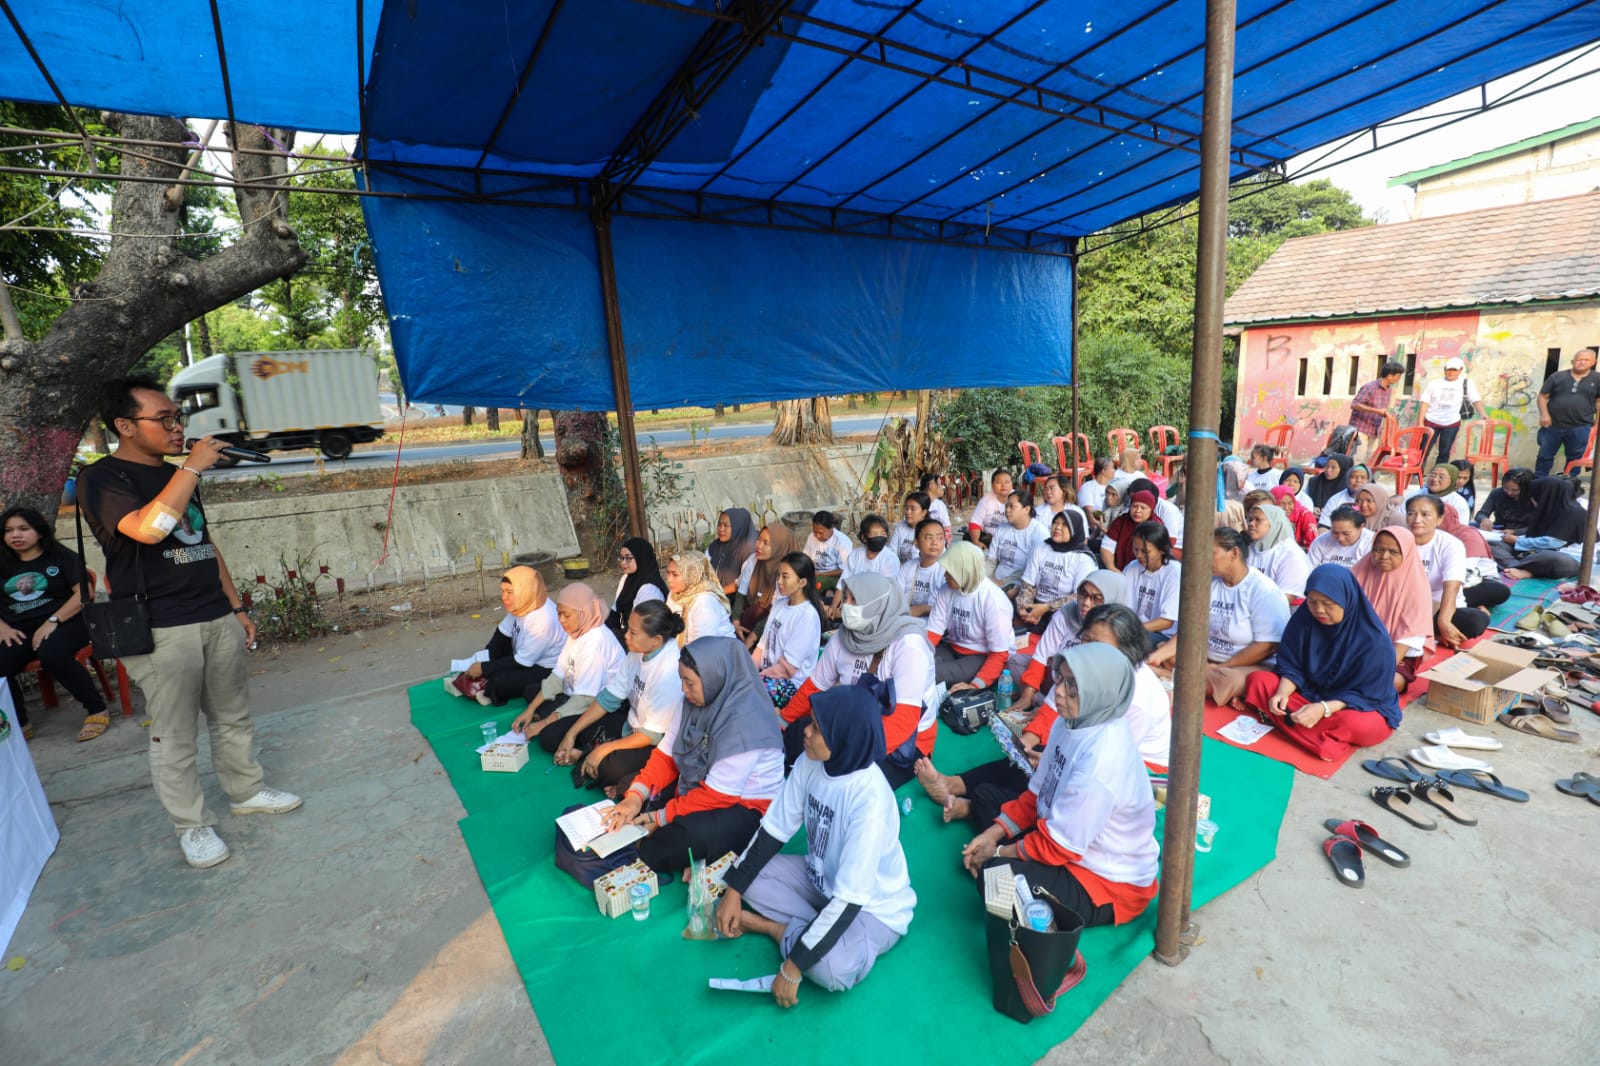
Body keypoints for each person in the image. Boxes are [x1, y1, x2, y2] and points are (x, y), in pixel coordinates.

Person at [76, 377, 300, 869]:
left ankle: (248, 791)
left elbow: (201, 542)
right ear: (125, 426)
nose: (178, 428)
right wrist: (194, 467)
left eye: (178, 418)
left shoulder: (178, 474)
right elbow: (149, 531)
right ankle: (192, 826)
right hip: (160, 628)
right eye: (165, 419)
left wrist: (237, 607)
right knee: (175, 735)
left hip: (214, 615)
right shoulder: (102, 478)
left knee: (232, 715)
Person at [716, 684, 915, 1007]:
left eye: (817, 729)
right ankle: (813, 932)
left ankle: (774, 929)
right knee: (744, 877)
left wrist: (794, 967)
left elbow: (851, 899)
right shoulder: (812, 761)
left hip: (872, 908)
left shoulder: (870, 802)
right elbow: (774, 828)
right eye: (810, 722)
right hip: (821, 879)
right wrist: (734, 891)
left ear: (843, 741)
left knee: (833, 970)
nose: (805, 732)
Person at [917, 602, 1171, 830]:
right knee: (1031, 755)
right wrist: (1031, 743)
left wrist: (1056, 762)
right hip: (1088, 751)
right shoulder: (1092, 670)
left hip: (1135, 776)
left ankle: (972, 807)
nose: (1087, 649)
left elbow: (1108, 768)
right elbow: (1053, 708)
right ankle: (956, 785)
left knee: (1052, 778)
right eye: (1086, 639)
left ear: (1126, 652)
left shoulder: (1138, 699)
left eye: (1098, 645)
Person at [961, 643, 1159, 932]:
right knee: (985, 796)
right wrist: (993, 834)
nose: (1061, 692)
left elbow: (1057, 846)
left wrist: (998, 852)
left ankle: (1049, 925)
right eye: (1061, 680)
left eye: (1074, 686)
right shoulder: (1072, 722)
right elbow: (1037, 791)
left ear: (1100, 692)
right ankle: (1018, 875)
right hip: (1063, 836)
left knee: (994, 876)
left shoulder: (1102, 762)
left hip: (1105, 882)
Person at [603, 637, 785, 876]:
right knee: (631, 788)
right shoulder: (691, 701)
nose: (683, 690)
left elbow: (718, 796)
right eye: (682, 680)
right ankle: (686, 844)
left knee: (666, 845)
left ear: (715, 678)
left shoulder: (746, 723)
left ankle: (688, 844)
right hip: (700, 787)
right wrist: (636, 797)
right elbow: (667, 754)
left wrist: (657, 817)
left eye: (689, 683)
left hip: (744, 807)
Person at [779, 573, 934, 785]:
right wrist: (783, 721)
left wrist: (851, 754)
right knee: (796, 734)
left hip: (900, 741)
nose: (847, 606)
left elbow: (903, 721)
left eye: (856, 600)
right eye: (847, 598)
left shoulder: (909, 646)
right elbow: (816, 686)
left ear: (877, 605)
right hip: (853, 723)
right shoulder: (845, 636)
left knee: (853, 781)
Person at [1240, 565, 1402, 762]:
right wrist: (1283, 692)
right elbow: (1292, 665)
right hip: (1308, 693)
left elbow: (1369, 695)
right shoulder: (1304, 619)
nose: (1319, 610)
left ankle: (1289, 724)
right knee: (1259, 681)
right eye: (1312, 602)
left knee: (1356, 724)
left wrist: (1323, 708)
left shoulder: (1375, 641)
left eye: (1328, 603)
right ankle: (1320, 739)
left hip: (1352, 705)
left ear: (1346, 600)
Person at [0, 506, 109, 742]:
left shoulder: (61, 558)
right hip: (19, 629)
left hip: (67, 622)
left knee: (53, 652)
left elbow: (85, 592)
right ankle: (19, 721)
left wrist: (53, 620)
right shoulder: (2, 563)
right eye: (8, 531)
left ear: (39, 532)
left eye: (23, 529)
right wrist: (3, 628)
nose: (15, 535)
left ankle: (96, 709)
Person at [1149, 529, 1291, 706]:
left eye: (1211, 553)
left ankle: (1168, 676)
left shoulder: (1263, 590)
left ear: (1234, 553)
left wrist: (1222, 667)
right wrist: (1157, 657)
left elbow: (1267, 646)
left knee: (1228, 680)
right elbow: (1191, 631)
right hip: (1204, 660)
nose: (1205, 559)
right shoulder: (1208, 583)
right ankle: (1180, 675)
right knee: (1162, 651)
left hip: (1242, 666)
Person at [568, 601, 684, 795]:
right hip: (631, 727)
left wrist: (604, 749)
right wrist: (571, 733)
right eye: (627, 630)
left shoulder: (669, 671)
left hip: (654, 744)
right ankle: (588, 753)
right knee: (576, 729)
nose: (626, 636)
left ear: (656, 640)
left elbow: (651, 735)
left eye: (633, 633)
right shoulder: (638, 651)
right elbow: (609, 697)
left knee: (608, 769)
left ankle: (590, 755)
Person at [515, 583, 628, 757]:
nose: (561, 620)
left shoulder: (595, 643)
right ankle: (549, 714)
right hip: (575, 693)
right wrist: (530, 710)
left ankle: (558, 722)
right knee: (531, 691)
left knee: (549, 737)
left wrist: (544, 723)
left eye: (566, 615)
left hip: (594, 704)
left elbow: (584, 700)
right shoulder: (578, 629)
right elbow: (558, 675)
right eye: (558, 613)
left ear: (583, 613)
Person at [444, 566, 565, 706]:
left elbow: (523, 662)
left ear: (524, 591)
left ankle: (487, 687)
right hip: (523, 656)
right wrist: (483, 660)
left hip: (543, 669)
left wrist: (484, 668)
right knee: (491, 658)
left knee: (499, 682)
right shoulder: (523, 604)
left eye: (509, 592)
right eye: (502, 591)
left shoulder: (542, 621)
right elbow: (500, 639)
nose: (504, 597)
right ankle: (479, 678)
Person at [1012, 570, 1128, 710]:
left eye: (1096, 598)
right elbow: (1042, 654)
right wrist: (1028, 691)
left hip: (1086, 691)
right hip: (1058, 677)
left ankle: (1051, 709)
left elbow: (1092, 680)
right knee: (1016, 661)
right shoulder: (1066, 613)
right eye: (1083, 594)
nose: (1085, 603)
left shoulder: (1114, 632)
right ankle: (1039, 702)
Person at [1405, 494, 1508, 645]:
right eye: (1411, 514)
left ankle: (1422, 631)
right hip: (1404, 606)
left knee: (1475, 620)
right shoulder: (1397, 541)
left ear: (1440, 519)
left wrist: (1444, 620)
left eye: (1425, 514)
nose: (1417, 520)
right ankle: (1427, 633)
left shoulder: (1451, 544)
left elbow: (1451, 586)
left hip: (1437, 605)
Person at [1352, 527, 1437, 693]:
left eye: (1393, 552)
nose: (1384, 556)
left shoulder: (1416, 586)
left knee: (1389, 683)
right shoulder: (1360, 571)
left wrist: (1378, 671)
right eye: (1378, 549)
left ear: (1406, 552)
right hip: (1357, 645)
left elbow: (1408, 639)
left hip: (1395, 653)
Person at [926, 542, 1014, 691]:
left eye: (950, 572)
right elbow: (933, 632)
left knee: (931, 674)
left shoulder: (994, 600)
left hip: (982, 656)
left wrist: (975, 685)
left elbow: (999, 654)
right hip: (952, 648)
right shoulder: (946, 590)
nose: (945, 576)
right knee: (918, 665)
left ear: (965, 571)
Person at [753, 552, 826, 707]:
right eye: (778, 575)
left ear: (802, 582)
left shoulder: (807, 616)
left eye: (785, 577)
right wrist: (749, 671)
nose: (779, 581)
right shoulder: (779, 605)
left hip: (790, 685)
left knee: (746, 693)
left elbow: (787, 669)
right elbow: (762, 646)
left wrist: (755, 678)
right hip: (767, 676)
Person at [1015, 510, 1095, 633]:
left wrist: (1046, 608)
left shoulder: (1082, 558)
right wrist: (1025, 607)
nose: (1057, 527)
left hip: (1065, 612)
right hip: (1036, 606)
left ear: (1074, 529)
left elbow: (1079, 596)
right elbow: (1027, 585)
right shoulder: (1042, 547)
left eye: (1064, 525)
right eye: (1055, 523)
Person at [1497, 476, 1589, 579]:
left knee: (1549, 558)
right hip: (1535, 553)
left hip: (1569, 558)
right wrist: (1515, 539)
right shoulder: (1551, 511)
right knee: (1496, 545)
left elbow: (1554, 542)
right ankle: (1517, 566)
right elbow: (1539, 535)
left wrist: (1518, 541)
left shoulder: (1573, 512)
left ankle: (1524, 570)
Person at [1535, 347, 1600, 477]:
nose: (1582, 362)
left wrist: (1597, 423)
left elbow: (1598, 402)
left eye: (1586, 360)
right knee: (1545, 455)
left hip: (1580, 427)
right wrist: (1544, 414)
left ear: (1593, 362)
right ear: (1572, 361)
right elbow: (1542, 396)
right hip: (1552, 425)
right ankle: (1539, 482)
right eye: (1579, 359)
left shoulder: (1597, 379)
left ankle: (1569, 485)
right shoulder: (1557, 377)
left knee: (1575, 459)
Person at [1122, 522, 1181, 647]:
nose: (1138, 555)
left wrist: (1133, 630)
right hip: (1134, 628)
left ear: (1162, 550)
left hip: (1161, 635)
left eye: (1145, 551)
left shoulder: (1173, 572)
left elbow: (1167, 621)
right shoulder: (1132, 567)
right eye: (1135, 549)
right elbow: (1121, 604)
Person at [1418, 356, 1484, 468]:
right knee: (1424, 449)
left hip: (1451, 422)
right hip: (1431, 421)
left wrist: (1483, 414)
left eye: (1454, 370)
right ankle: (1416, 473)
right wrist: (1420, 422)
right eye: (1448, 369)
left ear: (1460, 370)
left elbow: (1475, 399)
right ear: (1445, 369)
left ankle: (1438, 473)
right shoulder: (1434, 384)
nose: (1451, 372)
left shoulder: (1466, 383)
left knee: (1444, 450)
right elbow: (1425, 403)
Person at [736, 523, 798, 640]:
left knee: (759, 610)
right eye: (758, 539)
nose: (759, 546)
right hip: (753, 621)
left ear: (779, 548)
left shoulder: (788, 573)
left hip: (778, 624)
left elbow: (777, 611)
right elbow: (741, 592)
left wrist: (751, 639)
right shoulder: (753, 560)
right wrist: (736, 622)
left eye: (766, 543)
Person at [665, 552, 738, 645]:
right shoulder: (674, 595)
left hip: (715, 654)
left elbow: (702, 646)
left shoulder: (705, 601)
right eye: (668, 573)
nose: (669, 579)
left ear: (692, 575)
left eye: (675, 575)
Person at [1248, 502, 1312, 599]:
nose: (1251, 524)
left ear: (1274, 523)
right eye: (1250, 519)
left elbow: (1285, 599)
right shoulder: (1251, 548)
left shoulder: (1292, 555)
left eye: (1258, 520)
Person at [606, 537, 666, 640]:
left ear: (640, 557)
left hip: (639, 638)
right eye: (621, 558)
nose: (623, 563)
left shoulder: (649, 589)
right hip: (625, 632)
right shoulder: (627, 579)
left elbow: (642, 626)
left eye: (628, 558)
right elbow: (615, 611)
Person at [987, 491, 1048, 588]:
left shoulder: (1039, 533)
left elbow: (1032, 569)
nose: (1007, 510)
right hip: (996, 580)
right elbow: (991, 560)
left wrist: (1003, 582)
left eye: (1012, 506)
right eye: (1006, 506)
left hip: (1021, 582)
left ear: (1026, 509)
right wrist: (986, 580)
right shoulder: (1002, 528)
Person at [1349, 361, 1406, 462]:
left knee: (1371, 460)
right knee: (1358, 459)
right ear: (1390, 376)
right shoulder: (1370, 387)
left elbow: (1383, 410)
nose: (1399, 379)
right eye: (1398, 376)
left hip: (1374, 429)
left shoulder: (1388, 389)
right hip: (1361, 428)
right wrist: (1377, 411)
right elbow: (1355, 404)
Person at [897, 518, 948, 618]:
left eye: (940, 538)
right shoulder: (908, 567)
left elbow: (946, 610)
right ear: (916, 543)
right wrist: (924, 609)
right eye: (929, 538)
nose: (935, 542)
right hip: (905, 622)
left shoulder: (947, 572)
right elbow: (896, 602)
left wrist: (923, 609)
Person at [1100, 489, 1160, 571]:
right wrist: (1112, 568)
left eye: (1143, 508)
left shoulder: (1157, 526)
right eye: (1134, 506)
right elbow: (1107, 547)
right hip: (1118, 571)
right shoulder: (1121, 521)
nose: (1138, 511)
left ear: (1151, 509)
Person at [708, 508, 758, 598]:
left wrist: (718, 593)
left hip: (736, 602)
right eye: (719, 524)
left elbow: (743, 582)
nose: (721, 529)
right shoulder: (716, 546)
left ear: (738, 527)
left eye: (726, 525)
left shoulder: (748, 550)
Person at [840, 514, 900, 585]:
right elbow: (843, 584)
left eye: (883, 533)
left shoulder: (890, 558)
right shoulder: (855, 556)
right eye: (874, 534)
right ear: (864, 537)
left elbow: (887, 588)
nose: (879, 537)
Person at [1307, 506, 1374, 569]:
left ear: (1361, 527)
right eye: (1335, 533)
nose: (1340, 538)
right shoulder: (1320, 542)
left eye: (1346, 534)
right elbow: (1309, 569)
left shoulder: (1371, 542)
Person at [803, 510, 852, 592]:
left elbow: (845, 570)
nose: (817, 536)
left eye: (821, 533)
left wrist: (821, 574)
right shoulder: (811, 537)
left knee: (813, 585)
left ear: (831, 528)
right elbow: (806, 558)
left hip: (833, 576)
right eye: (815, 532)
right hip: (815, 574)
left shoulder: (842, 542)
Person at [967, 469, 1014, 546]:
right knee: (968, 537)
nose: (1003, 485)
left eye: (1007, 482)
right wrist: (976, 542)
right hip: (990, 538)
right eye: (998, 482)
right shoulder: (986, 500)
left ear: (1011, 484)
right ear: (992, 485)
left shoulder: (1017, 499)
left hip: (1012, 539)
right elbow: (975, 523)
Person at [1316, 463, 1370, 527]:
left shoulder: (1375, 500)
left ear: (1369, 480)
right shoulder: (1336, 499)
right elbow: (1324, 525)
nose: (1358, 480)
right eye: (1353, 477)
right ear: (1347, 478)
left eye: (1363, 477)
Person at [1269, 484, 1318, 549]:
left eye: (1290, 503)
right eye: (1281, 503)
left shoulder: (1305, 515)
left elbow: (1312, 544)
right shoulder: (1270, 515)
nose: (1286, 508)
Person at [889, 492, 932, 565]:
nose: (908, 512)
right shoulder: (901, 526)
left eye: (913, 509)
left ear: (924, 512)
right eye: (906, 508)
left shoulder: (932, 530)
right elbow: (891, 553)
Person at [1306, 453, 1352, 518]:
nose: (1328, 470)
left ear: (1342, 470)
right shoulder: (1314, 482)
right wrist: (1311, 508)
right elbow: (1304, 502)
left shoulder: (1348, 488)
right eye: (1327, 466)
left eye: (1333, 468)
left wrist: (1329, 511)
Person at [919, 473, 954, 542]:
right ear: (931, 485)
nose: (942, 487)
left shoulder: (940, 505)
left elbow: (947, 529)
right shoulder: (916, 503)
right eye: (940, 484)